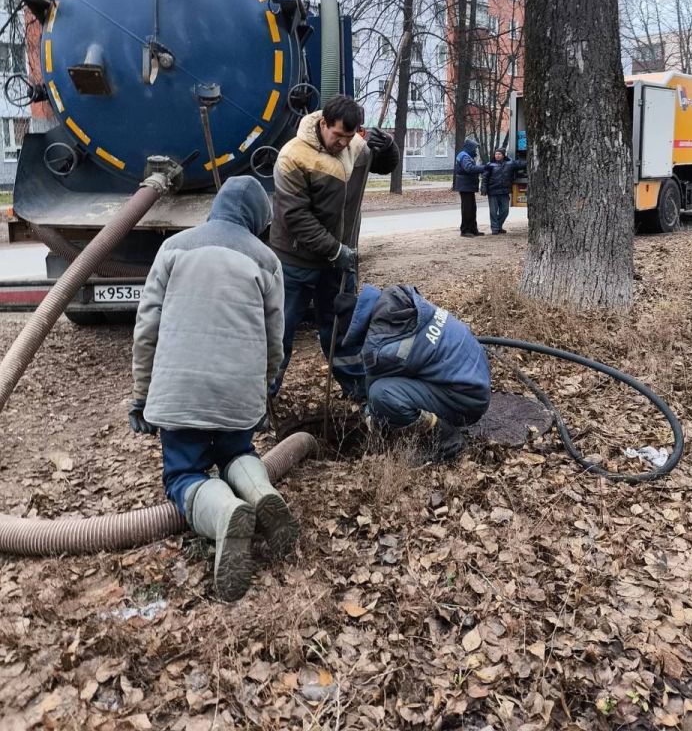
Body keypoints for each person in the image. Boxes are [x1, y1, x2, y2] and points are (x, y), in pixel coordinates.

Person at [129, 176, 298, 602]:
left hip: (179, 391)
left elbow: (146, 329)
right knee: (238, 452)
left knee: (184, 474)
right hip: (238, 393)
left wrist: (141, 394)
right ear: (259, 219)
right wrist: (262, 391)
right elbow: (275, 339)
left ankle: (224, 514)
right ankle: (261, 494)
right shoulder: (267, 261)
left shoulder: (174, 248)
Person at [269, 94, 399, 396]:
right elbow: (295, 217)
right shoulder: (292, 156)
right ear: (323, 123)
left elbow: (382, 165)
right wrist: (336, 250)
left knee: (343, 331)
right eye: (337, 135)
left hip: (338, 265)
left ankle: (357, 390)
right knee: (280, 332)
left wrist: (388, 147)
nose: (342, 143)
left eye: (349, 137)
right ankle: (265, 396)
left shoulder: (354, 147)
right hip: (294, 262)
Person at [333, 283, 492, 461]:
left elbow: (374, 388)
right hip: (477, 375)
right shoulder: (398, 302)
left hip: (469, 401)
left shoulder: (383, 349)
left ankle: (448, 441)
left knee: (381, 395)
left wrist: (371, 415)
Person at [483, 147, 527, 235]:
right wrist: (483, 188)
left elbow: (521, 164)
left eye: (499, 154)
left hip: (504, 192)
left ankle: (499, 226)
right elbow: (485, 178)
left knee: (505, 210)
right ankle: (495, 229)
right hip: (493, 191)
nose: (497, 156)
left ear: (503, 155)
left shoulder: (510, 163)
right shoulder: (490, 165)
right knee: (493, 211)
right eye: (496, 154)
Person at [453, 138, 486, 236]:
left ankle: (473, 229)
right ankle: (465, 230)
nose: (475, 150)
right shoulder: (464, 156)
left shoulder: (466, 155)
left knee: (472, 208)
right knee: (467, 209)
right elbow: (469, 168)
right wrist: (484, 168)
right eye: (474, 148)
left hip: (468, 186)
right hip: (465, 186)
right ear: (470, 148)